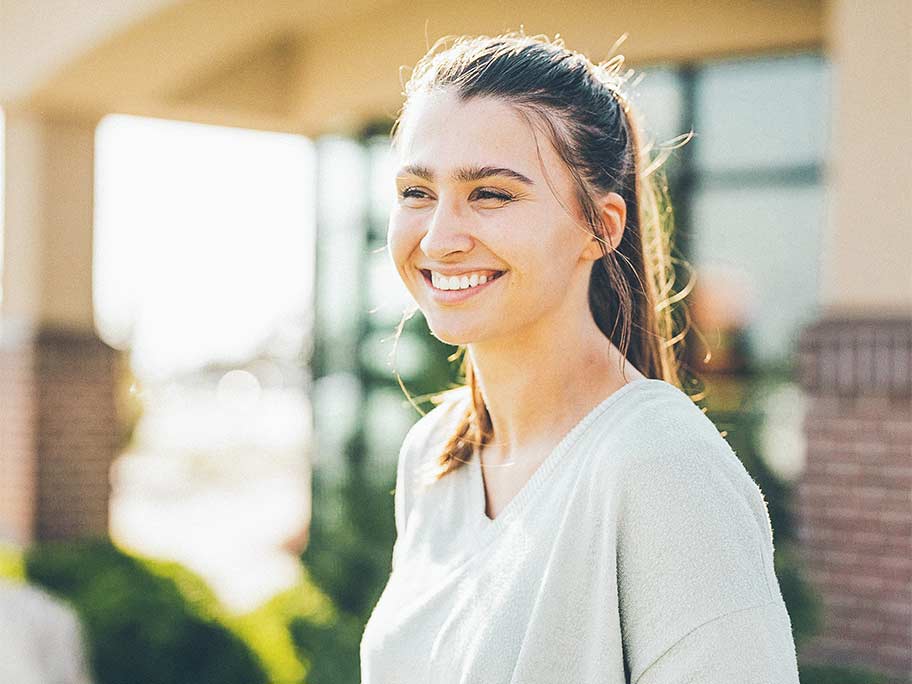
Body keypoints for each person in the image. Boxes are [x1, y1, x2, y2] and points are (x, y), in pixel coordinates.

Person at [360, 32, 801, 683]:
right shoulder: (434, 456)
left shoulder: (662, 467)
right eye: (416, 193)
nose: (440, 237)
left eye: (491, 194)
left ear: (602, 225)